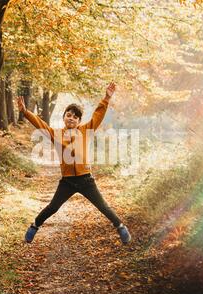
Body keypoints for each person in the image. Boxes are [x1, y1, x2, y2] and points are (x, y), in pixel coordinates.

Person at [16, 82, 131, 244]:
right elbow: (40, 124)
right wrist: (26, 112)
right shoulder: (55, 134)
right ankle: (34, 226)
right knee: (53, 207)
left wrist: (106, 97)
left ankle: (120, 227)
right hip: (68, 182)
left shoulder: (85, 131)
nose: (71, 118)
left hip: (86, 180)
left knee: (103, 206)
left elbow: (98, 115)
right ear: (64, 117)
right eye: (68, 115)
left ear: (79, 121)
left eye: (75, 117)